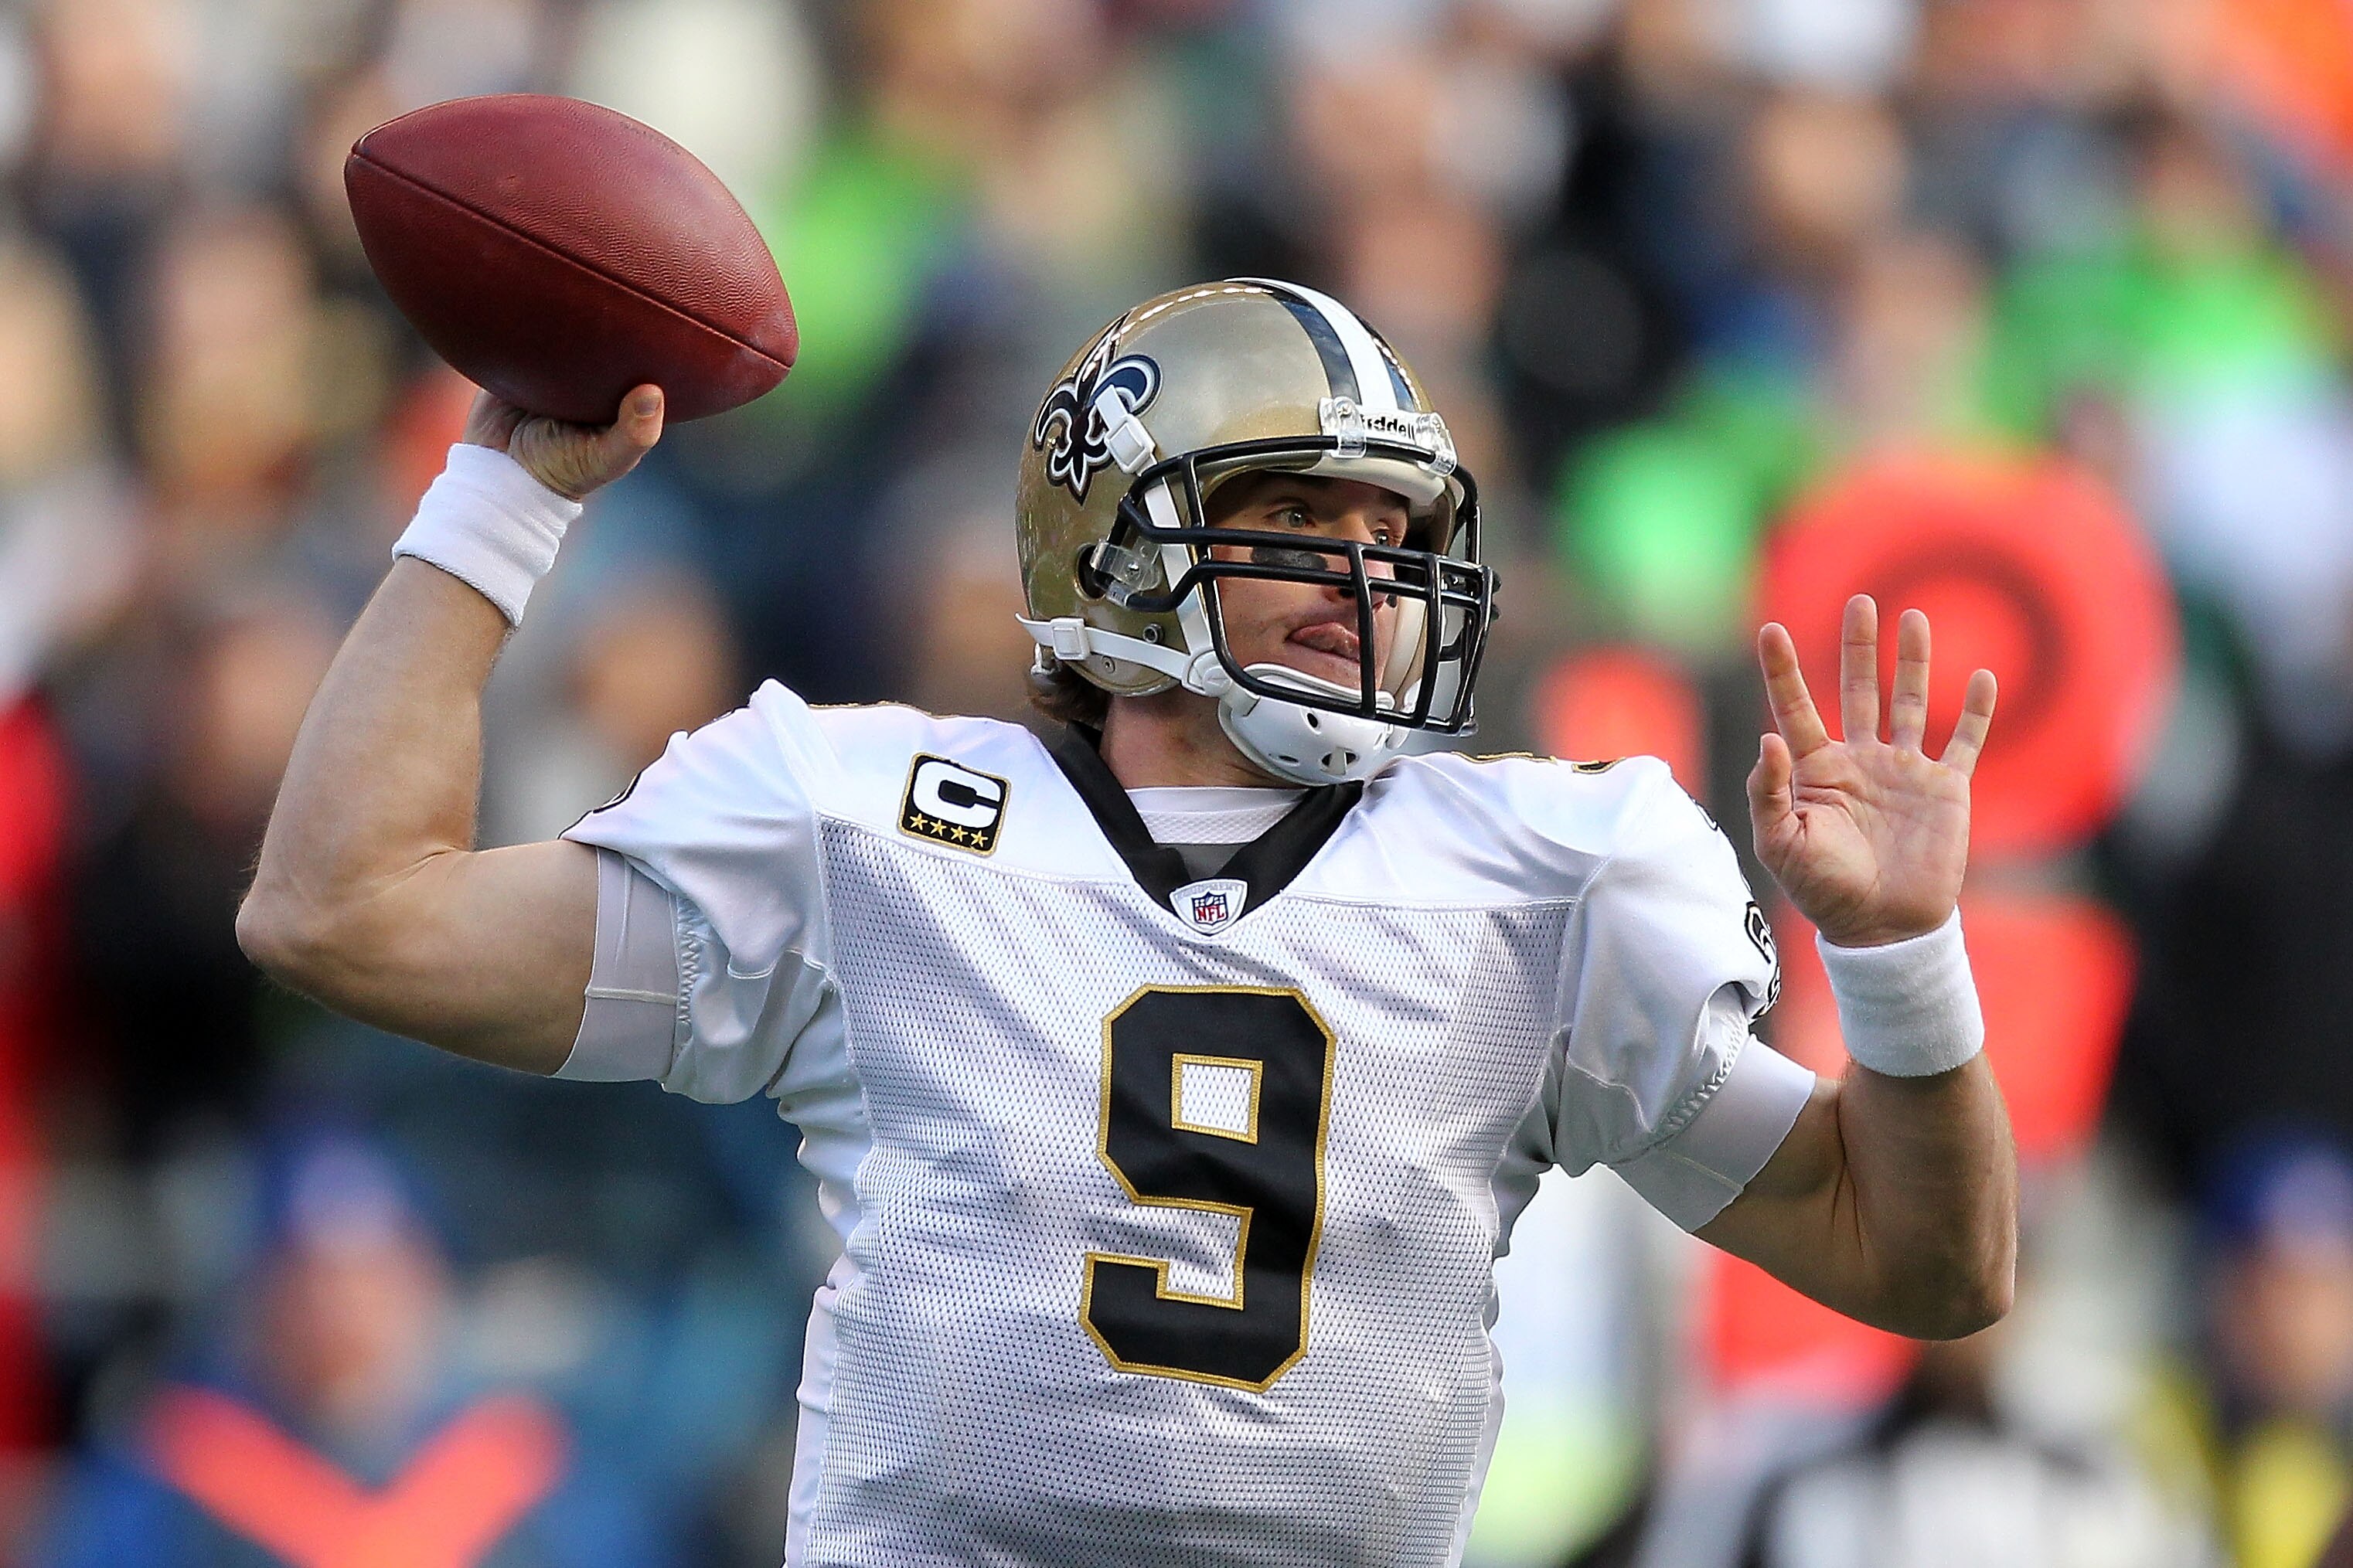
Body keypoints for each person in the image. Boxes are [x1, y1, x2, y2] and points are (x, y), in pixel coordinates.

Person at [238, 280, 2016, 1567]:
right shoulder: (869, 822)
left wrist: (1902, 959)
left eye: (1387, 529)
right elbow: (349, 913)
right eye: (1294, 518)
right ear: (1115, 551)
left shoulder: (1540, 875)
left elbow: (1921, 1263)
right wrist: (506, 496)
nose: (1360, 577)